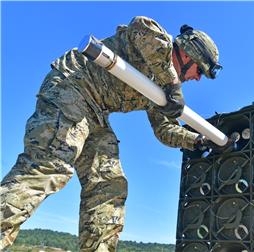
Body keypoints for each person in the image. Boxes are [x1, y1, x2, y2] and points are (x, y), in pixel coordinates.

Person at [0, 16, 222, 251]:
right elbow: (140, 25)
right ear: (188, 55)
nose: (197, 78)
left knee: (109, 184)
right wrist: (173, 83)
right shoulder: (159, 44)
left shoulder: (163, 91)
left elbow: (164, 130)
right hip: (73, 89)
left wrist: (197, 139)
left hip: (96, 115)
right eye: (200, 71)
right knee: (51, 165)